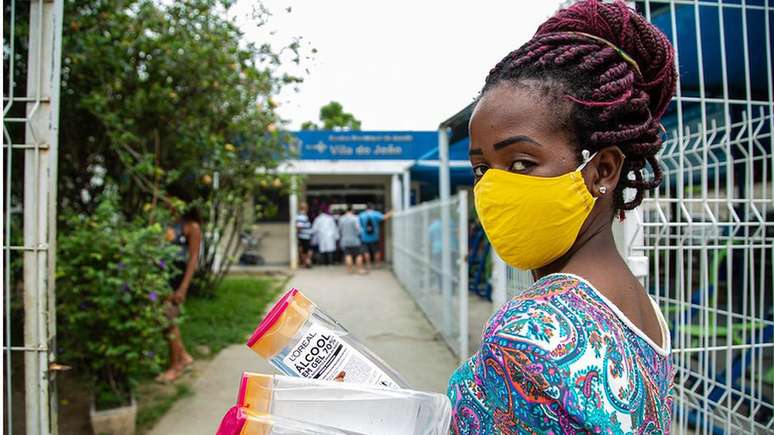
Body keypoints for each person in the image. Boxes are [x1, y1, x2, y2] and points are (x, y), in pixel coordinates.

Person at [447, 1, 677, 433]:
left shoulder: (529, 331)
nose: (493, 189)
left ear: (601, 170)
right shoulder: (640, 310)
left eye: (520, 163)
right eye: (481, 169)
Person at [157, 205, 201, 383]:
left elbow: (193, 260)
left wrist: (183, 288)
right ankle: (183, 356)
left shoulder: (191, 227)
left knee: (169, 321)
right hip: (161, 279)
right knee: (164, 321)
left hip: (175, 282)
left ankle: (176, 366)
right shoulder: (166, 223)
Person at [358, 204, 392, 270]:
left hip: (364, 237)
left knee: (366, 252)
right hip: (375, 237)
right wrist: (392, 212)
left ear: (366, 208)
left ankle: (368, 265)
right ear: (372, 208)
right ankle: (377, 264)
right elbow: (385, 217)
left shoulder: (361, 215)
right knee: (376, 251)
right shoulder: (375, 214)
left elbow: (358, 225)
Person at [338, 205, 366, 274]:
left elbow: (339, 229)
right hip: (355, 239)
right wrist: (362, 231)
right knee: (358, 255)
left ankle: (349, 270)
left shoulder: (341, 219)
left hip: (345, 240)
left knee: (348, 255)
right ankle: (359, 270)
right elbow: (358, 229)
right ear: (352, 211)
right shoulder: (355, 218)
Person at [296, 202, 313, 268]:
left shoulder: (302, 215)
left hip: (305, 236)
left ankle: (306, 262)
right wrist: (297, 234)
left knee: (306, 250)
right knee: (306, 250)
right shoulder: (301, 216)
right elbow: (299, 226)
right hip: (304, 236)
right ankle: (307, 262)